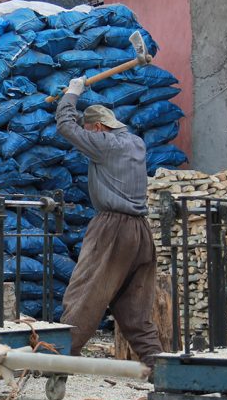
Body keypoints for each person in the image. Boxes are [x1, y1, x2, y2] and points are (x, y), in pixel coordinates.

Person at [55, 76, 162, 371]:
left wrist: (71, 93)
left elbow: (66, 127)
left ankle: (60, 362)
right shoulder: (136, 143)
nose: (87, 139)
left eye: (89, 132)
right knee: (135, 311)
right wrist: (76, 109)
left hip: (111, 229)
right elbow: (80, 126)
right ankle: (159, 368)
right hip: (140, 232)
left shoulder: (104, 144)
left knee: (84, 294)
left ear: (99, 129)